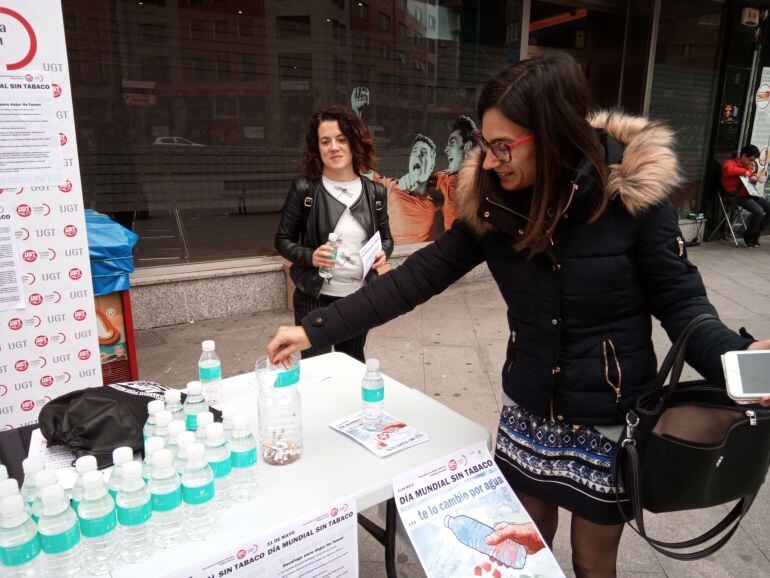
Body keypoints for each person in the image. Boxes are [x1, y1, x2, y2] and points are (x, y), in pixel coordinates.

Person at [268, 52, 770, 576]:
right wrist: (313, 328)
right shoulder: (492, 202)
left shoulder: (633, 197)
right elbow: (416, 279)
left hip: (609, 410)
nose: (488, 161)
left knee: (594, 560)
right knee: (521, 546)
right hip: (528, 403)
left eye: (503, 146)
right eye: (485, 145)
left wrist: (741, 359)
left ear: (552, 135)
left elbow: (684, 305)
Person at [274, 105, 393, 363]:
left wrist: (384, 252)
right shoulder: (305, 189)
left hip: (358, 298)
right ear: (317, 148)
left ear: (354, 142)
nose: (334, 147)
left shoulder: (375, 192)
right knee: (316, 369)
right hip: (313, 297)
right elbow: (282, 241)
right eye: (325, 141)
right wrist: (310, 256)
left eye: (341, 139)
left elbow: (387, 238)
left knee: (352, 364)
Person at [376, 135, 442, 244]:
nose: (418, 155)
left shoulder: (439, 203)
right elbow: (360, 175)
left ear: (431, 166)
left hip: (422, 257)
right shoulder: (390, 186)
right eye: (415, 152)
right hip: (392, 256)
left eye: (424, 153)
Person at [721, 144, 770, 247]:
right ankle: (749, 235)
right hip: (736, 195)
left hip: (749, 194)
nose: (751, 162)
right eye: (750, 159)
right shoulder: (730, 163)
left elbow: (750, 179)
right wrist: (745, 172)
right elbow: (728, 170)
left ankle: (755, 233)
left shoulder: (748, 167)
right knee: (759, 211)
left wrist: (754, 180)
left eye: (753, 160)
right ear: (743, 155)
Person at [436, 115, 478, 230]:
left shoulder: (484, 184)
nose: (446, 150)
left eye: (452, 143)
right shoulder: (443, 179)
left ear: (467, 146)